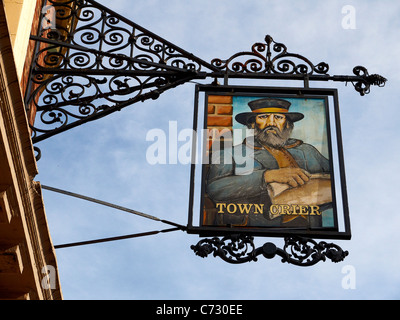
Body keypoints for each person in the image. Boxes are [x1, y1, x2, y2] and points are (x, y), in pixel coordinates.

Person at [205, 98, 332, 228]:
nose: (271, 122)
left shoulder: (308, 151)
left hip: (307, 231)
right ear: (253, 124)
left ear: (287, 124)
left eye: (278, 117)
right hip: (252, 230)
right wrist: (268, 176)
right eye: (263, 117)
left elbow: (336, 184)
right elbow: (215, 188)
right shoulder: (231, 153)